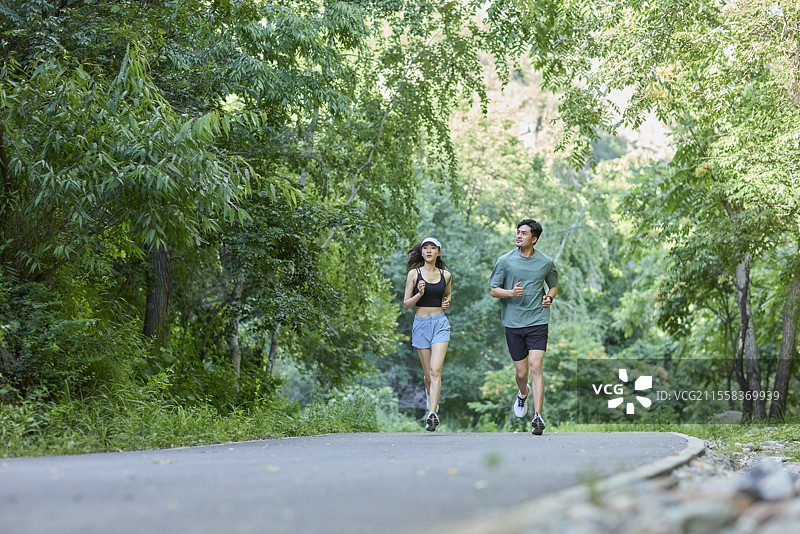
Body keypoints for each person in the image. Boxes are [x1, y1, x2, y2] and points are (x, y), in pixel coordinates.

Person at [489, 219, 558, 435]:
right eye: (518, 232)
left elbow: (553, 286)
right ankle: (523, 393)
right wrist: (511, 293)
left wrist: (549, 298)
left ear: (534, 239)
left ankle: (537, 417)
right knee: (522, 373)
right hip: (513, 322)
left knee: (536, 366)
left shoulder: (546, 262)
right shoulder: (505, 261)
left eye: (524, 233)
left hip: (538, 320)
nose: (518, 236)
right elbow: (494, 290)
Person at [403, 237, 452, 432]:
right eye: (425, 248)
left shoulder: (445, 275)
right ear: (422, 252)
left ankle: (432, 414)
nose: (429, 251)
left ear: (438, 252)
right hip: (421, 325)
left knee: (435, 371)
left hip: (440, 324)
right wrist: (419, 294)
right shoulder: (414, 274)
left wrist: (447, 302)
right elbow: (406, 304)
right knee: (428, 376)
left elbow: (447, 294)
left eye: (433, 248)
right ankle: (430, 394)